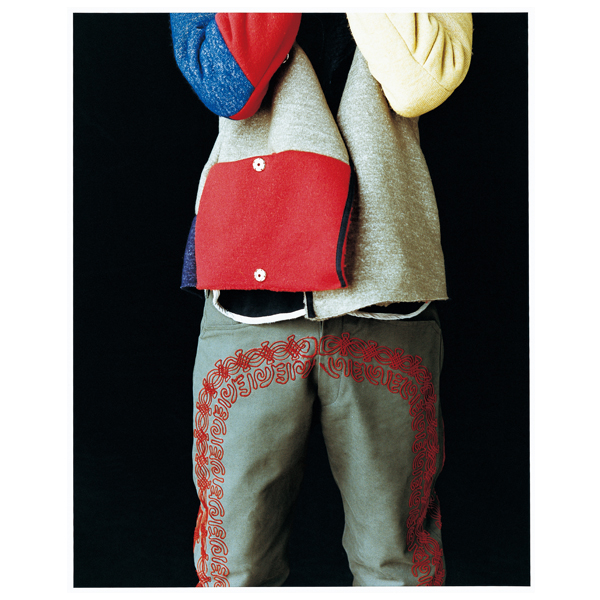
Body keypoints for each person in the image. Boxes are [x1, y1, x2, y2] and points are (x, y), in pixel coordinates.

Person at [170, 12, 473, 587]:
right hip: (248, 292)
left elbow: (419, 83)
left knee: (397, 566)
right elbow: (227, 85)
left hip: (386, 288)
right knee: (234, 567)